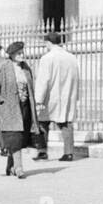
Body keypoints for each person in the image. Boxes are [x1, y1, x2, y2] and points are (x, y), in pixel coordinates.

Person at [34, 31, 80, 161]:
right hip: (67, 95)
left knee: (42, 123)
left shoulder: (47, 58)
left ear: (48, 42)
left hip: (51, 97)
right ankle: (68, 152)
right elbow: (76, 78)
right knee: (66, 123)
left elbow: (43, 81)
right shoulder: (72, 57)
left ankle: (42, 151)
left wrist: (38, 100)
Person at [0, 40, 35, 177]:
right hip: (9, 108)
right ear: (11, 55)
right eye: (18, 53)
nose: (21, 55)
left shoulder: (26, 68)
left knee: (19, 138)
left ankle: (9, 167)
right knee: (15, 137)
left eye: (22, 52)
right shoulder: (3, 67)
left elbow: (31, 88)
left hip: (24, 107)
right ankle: (18, 168)